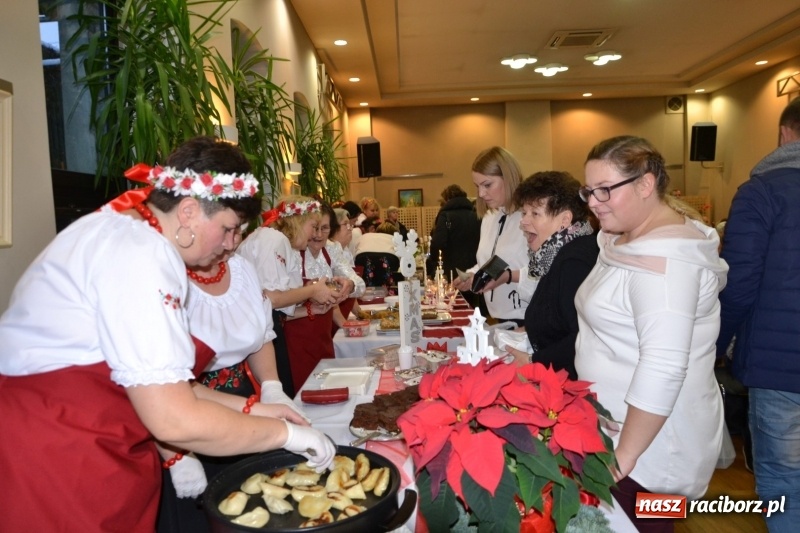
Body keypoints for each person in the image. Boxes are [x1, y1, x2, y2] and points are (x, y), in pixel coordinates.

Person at [0, 136, 335, 531]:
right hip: (59, 449)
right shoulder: (140, 252)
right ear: (189, 211)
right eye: (228, 229)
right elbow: (174, 419)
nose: (231, 245)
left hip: (95, 434)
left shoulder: (133, 235)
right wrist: (286, 436)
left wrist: (257, 408)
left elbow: (171, 385)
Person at [573, 135, 727, 532]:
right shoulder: (624, 239)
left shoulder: (667, 262)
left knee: (650, 526)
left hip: (652, 454)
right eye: (588, 190)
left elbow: (663, 365)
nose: (592, 201)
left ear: (645, 184)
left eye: (605, 189)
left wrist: (622, 458)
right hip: (617, 432)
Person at [158, 232, 309, 533]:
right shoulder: (164, 275)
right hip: (183, 420)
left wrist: (272, 388)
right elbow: (158, 384)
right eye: (225, 230)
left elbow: (259, 336)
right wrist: (175, 453)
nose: (233, 241)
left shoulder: (242, 269)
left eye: (239, 229)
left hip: (243, 407)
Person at [716, 97, 800, 532]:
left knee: (785, 480)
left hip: (780, 366)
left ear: (785, 132)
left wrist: (714, 345)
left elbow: (741, 281)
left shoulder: (762, 191)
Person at [237, 195, 344, 397]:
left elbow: (276, 309)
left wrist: (310, 309)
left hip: (268, 329)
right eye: (313, 226)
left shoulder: (278, 241)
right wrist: (313, 290)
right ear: (299, 221)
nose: (314, 234)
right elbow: (272, 298)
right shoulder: (273, 239)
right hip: (260, 337)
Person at [505, 172, 598, 380]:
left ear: (565, 219)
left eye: (535, 214)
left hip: (572, 383)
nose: (524, 222)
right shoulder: (556, 254)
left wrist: (533, 362)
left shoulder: (574, 262)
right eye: (524, 213)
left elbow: (583, 336)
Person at [452, 146, 530, 324]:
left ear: (508, 178)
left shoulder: (530, 217)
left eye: (487, 185)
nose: (480, 193)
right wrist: (472, 275)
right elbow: (490, 262)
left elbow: (544, 271)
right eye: (477, 186)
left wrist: (508, 276)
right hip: (497, 316)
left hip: (527, 318)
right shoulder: (490, 217)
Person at [288, 203, 359, 390]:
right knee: (306, 390)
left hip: (323, 335)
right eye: (315, 228)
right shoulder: (292, 253)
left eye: (324, 228)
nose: (318, 234)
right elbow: (279, 302)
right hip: (298, 339)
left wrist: (349, 284)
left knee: (327, 388)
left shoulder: (330, 251)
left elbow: (358, 284)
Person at [425, 184, 480, 283]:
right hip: (474, 268)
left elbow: (438, 243)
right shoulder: (476, 215)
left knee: (453, 296)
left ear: (447, 199)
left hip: (452, 269)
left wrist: (434, 262)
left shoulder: (445, 216)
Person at [329, 207, 366, 326]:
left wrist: (361, 315)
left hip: (342, 315)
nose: (350, 228)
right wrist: (345, 325)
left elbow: (352, 292)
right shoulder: (330, 250)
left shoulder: (346, 251)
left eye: (350, 224)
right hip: (331, 320)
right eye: (345, 224)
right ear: (333, 228)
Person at [355, 221, 404, 290]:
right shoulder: (394, 239)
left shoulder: (366, 236)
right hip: (389, 257)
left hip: (363, 256)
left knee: (366, 280)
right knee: (387, 283)